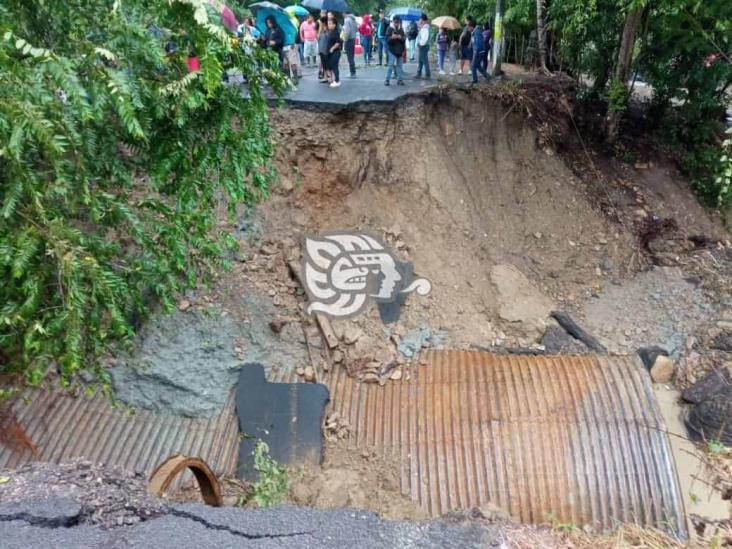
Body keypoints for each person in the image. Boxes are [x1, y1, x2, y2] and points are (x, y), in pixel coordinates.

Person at [384, 16, 406, 86]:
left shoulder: (401, 30)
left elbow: (404, 40)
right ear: (393, 22)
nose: (396, 24)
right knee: (390, 66)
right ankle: (387, 80)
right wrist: (392, 38)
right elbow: (387, 40)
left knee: (399, 66)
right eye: (395, 22)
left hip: (399, 50)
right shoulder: (389, 29)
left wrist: (400, 37)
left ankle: (400, 80)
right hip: (392, 50)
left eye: (398, 22)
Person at [467, 18, 489, 83]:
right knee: (478, 66)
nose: (468, 29)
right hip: (478, 51)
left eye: (468, 27)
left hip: (478, 51)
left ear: (471, 26)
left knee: (473, 66)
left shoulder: (477, 32)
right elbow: (474, 42)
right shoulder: (475, 32)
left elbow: (478, 42)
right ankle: (487, 76)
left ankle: (475, 80)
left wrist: (476, 50)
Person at [325, 17, 343, 88]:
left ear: (334, 25)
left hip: (335, 52)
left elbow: (338, 42)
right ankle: (335, 80)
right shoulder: (330, 32)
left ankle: (337, 81)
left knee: (335, 66)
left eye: (330, 24)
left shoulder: (336, 32)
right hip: (330, 53)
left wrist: (332, 48)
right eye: (328, 24)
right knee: (332, 66)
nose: (328, 25)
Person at [342, 12, 358, 78]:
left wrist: (345, 38)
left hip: (348, 40)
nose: (342, 14)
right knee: (352, 57)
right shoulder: (353, 19)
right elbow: (356, 29)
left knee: (350, 57)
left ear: (344, 13)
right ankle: (353, 72)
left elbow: (347, 31)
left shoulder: (347, 20)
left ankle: (352, 73)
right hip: (353, 39)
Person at [415, 14, 431, 79]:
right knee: (420, 60)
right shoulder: (424, 27)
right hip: (423, 46)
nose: (419, 20)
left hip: (423, 46)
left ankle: (427, 75)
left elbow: (425, 38)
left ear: (422, 20)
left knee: (424, 60)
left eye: (420, 19)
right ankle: (419, 73)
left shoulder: (425, 28)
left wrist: (420, 44)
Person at [318, 12, 331, 82]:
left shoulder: (329, 29)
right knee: (323, 64)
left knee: (328, 64)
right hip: (321, 49)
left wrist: (326, 31)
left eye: (322, 23)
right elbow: (318, 38)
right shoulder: (321, 29)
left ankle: (330, 77)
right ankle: (325, 77)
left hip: (326, 49)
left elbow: (330, 38)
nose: (321, 24)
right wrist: (320, 29)